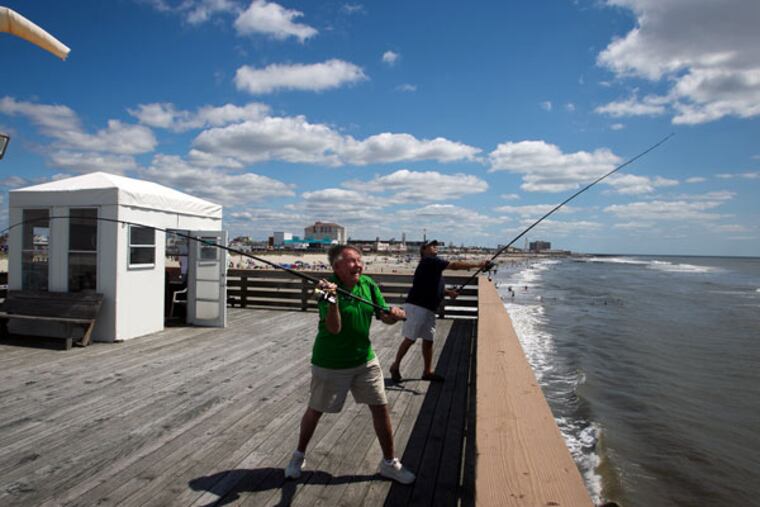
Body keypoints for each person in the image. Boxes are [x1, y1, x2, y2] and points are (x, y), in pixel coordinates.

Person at [284, 244, 415, 484]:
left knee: (380, 407)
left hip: (364, 359)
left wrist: (394, 315)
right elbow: (334, 329)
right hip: (330, 362)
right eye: (352, 261)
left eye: (359, 260)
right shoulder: (325, 290)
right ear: (336, 267)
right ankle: (298, 455)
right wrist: (332, 299)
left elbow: (382, 316)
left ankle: (389, 463)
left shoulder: (368, 284)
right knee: (316, 409)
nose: (358, 265)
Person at [389, 240, 491, 382]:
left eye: (436, 245)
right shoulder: (429, 261)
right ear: (423, 249)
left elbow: (434, 286)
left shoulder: (431, 265)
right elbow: (454, 265)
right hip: (417, 306)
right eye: (432, 245)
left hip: (429, 308)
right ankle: (395, 365)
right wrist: (478, 264)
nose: (435, 247)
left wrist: (448, 292)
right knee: (410, 339)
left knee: (428, 340)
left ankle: (427, 372)